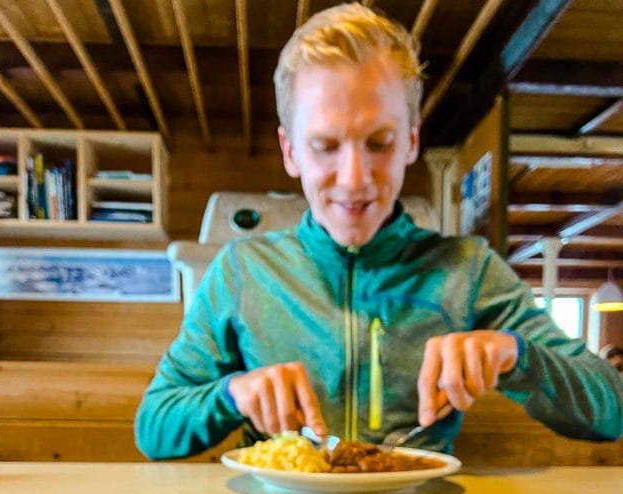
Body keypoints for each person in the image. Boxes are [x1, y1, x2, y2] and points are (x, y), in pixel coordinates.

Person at [135, 2, 623, 460]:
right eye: (325, 145)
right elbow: (153, 428)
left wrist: (516, 355)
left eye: (380, 142)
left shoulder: (468, 269)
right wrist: (231, 393)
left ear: (411, 140)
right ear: (291, 152)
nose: (355, 177)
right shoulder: (243, 270)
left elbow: (611, 408)